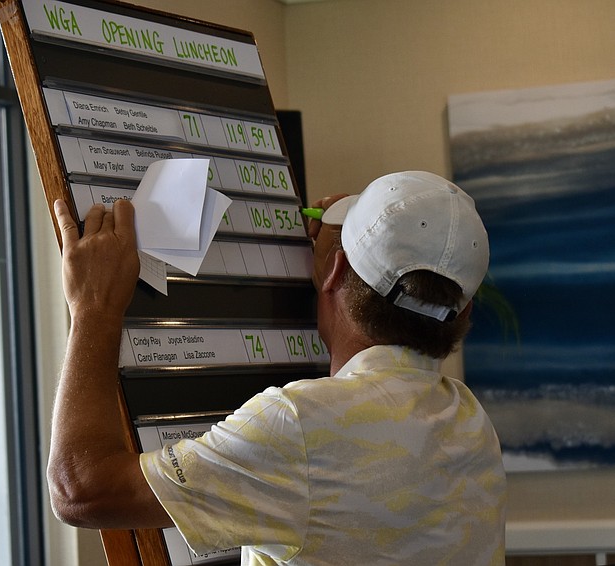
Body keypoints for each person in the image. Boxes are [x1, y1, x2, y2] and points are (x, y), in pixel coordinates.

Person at [48, 170, 506, 565]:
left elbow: (81, 489)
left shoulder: (300, 426)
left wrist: (94, 309)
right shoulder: (470, 425)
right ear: (464, 313)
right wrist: (346, 267)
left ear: (334, 271)